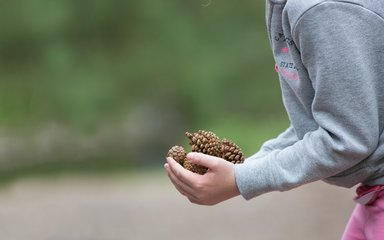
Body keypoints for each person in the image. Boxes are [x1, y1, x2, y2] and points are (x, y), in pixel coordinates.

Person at [164, 0, 384, 239]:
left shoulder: (320, 9)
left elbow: (346, 139)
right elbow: (313, 126)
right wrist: (240, 170)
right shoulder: (284, 5)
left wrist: (241, 180)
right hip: (373, 194)